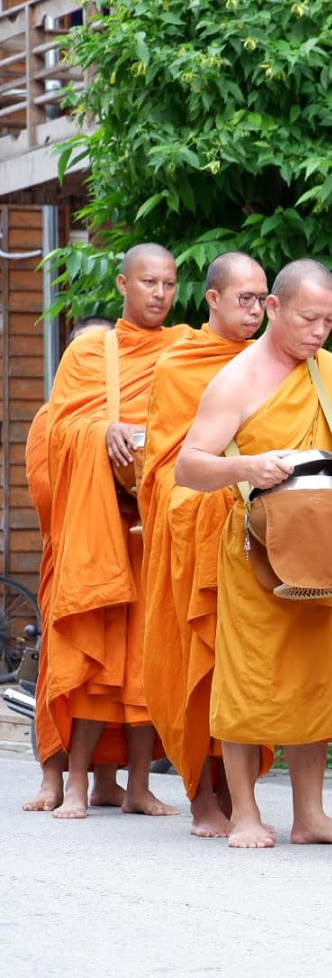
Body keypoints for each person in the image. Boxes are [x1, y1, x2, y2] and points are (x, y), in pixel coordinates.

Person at [174, 259, 332, 850]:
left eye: (330, 320)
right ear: (274, 308)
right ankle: (245, 813)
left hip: (324, 548)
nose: (320, 332)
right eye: (309, 318)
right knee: (250, 677)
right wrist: (248, 466)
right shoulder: (235, 380)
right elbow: (189, 466)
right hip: (256, 549)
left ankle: (310, 814)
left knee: (316, 676)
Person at [33, 245, 188, 820]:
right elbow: (59, 431)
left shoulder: (183, 350)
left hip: (155, 533)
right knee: (97, 664)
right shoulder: (90, 352)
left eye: (168, 283)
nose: (159, 293)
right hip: (101, 534)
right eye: (148, 282)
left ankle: (140, 785)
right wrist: (102, 431)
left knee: (145, 664)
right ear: (123, 284)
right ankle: (76, 782)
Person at [139, 253, 275, 838]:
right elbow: (161, 468)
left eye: (262, 299)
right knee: (199, 663)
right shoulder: (180, 364)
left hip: (255, 530)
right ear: (213, 299)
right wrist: (219, 492)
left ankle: (236, 792)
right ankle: (201, 795)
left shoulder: (272, 362)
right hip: (194, 531)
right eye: (245, 298)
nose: (256, 310)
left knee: (245, 665)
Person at [21, 317, 120, 812]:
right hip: (70, 556)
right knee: (62, 670)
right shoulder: (50, 419)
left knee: (108, 672)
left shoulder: (118, 416)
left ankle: (106, 779)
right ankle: (51, 777)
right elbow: (46, 495)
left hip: (115, 556)